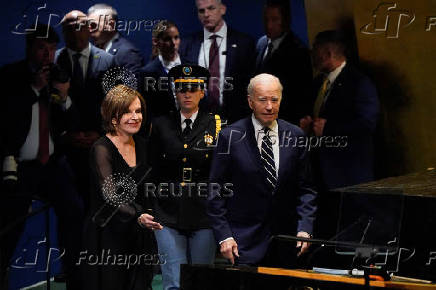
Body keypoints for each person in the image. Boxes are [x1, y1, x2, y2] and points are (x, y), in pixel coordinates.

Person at [0, 24, 84, 289]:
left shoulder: (58, 76)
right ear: (29, 49)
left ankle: (75, 279)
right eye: (41, 49)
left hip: (51, 166)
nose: (47, 55)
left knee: (74, 211)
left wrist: (65, 96)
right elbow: (7, 119)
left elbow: (74, 121)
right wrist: (35, 90)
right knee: (10, 226)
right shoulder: (10, 76)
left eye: (51, 49)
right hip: (18, 166)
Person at [207, 73, 317, 267]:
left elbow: (306, 188)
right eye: (263, 100)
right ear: (250, 102)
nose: (269, 106)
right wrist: (224, 236)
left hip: (287, 244)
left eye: (274, 100)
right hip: (243, 245)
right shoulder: (229, 137)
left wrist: (305, 229)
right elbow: (215, 192)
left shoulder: (296, 136)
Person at [139, 65, 220, 290]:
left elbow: (220, 172)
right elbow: (150, 168)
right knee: (173, 282)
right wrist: (150, 207)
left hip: (203, 213)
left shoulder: (216, 124)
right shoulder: (161, 124)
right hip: (167, 212)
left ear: (202, 92)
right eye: (181, 88)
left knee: (202, 280)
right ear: (175, 92)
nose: (187, 93)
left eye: (193, 88)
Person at [299, 30, 379, 238]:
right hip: (321, 176)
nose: (311, 55)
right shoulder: (318, 84)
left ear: (327, 53)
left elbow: (367, 124)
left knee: (353, 231)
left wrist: (330, 129)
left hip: (349, 176)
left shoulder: (359, 82)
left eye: (315, 51)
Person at [83, 84, 153, 290]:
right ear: (113, 118)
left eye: (138, 111)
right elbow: (111, 195)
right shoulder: (101, 148)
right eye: (127, 112)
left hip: (138, 232)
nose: (135, 117)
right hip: (107, 236)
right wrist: (139, 214)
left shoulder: (143, 144)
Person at [55, 10, 114, 209]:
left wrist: (100, 133)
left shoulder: (107, 61)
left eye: (79, 26)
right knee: (68, 212)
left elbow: (113, 104)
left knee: (98, 209)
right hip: (64, 150)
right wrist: (64, 135)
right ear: (63, 33)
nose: (75, 32)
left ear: (90, 28)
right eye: (69, 29)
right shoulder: (53, 61)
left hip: (99, 148)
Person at [179, 0, 256, 123]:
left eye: (211, 8)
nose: (206, 14)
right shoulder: (187, 45)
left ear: (223, 9)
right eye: (201, 11)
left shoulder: (244, 43)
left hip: (236, 121)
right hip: (198, 122)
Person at [255, 0, 313, 124]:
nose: (269, 25)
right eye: (266, 19)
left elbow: (301, 95)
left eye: (275, 19)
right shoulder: (261, 44)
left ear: (286, 21)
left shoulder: (299, 51)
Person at [139, 20, 184, 122]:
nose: (173, 43)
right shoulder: (147, 73)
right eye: (167, 39)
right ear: (156, 41)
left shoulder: (192, 66)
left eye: (176, 38)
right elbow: (146, 109)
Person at [88, 3, 144, 73]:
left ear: (111, 25)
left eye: (93, 25)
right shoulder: (91, 50)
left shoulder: (127, 53)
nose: (89, 30)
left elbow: (132, 83)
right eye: (87, 25)